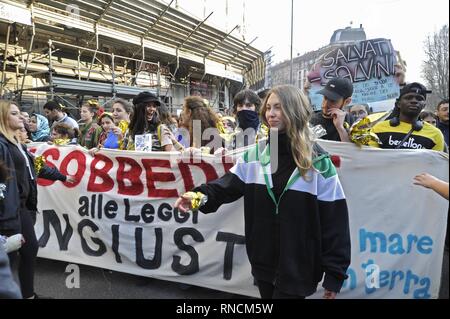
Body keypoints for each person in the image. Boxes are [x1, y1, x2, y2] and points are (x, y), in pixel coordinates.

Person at [175, 85, 351, 299]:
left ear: (295, 110)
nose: (271, 113)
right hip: (263, 262)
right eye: (268, 108)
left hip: (300, 267)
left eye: (279, 107)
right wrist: (198, 197)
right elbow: (226, 186)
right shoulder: (255, 155)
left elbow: (335, 222)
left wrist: (335, 273)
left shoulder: (319, 163)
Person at [0, 100, 75, 299]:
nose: (22, 117)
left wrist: (63, 176)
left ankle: (28, 294)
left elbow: (36, 167)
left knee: (27, 249)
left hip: (22, 206)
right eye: (15, 114)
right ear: (3, 118)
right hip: (8, 210)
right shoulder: (2, 144)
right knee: (8, 256)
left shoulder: (18, 144)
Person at [368, 82, 445, 151]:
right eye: (408, 98)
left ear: (424, 105)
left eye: (419, 99)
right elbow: (372, 160)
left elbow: (436, 164)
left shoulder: (435, 134)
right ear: (398, 104)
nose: (414, 101)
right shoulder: (378, 129)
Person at [310, 77, 354, 142]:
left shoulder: (352, 122)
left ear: (347, 101)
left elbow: (351, 151)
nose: (325, 105)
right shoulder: (311, 120)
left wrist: (340, 128)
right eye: (325, 98)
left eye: (333, 100)